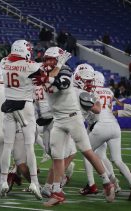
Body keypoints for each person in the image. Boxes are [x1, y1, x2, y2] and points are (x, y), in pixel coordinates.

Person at [33, 47, 115, 206]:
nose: (48, 62)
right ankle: (56, 193)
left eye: (52, 59)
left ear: (59, 60)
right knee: (57, 157)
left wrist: (54, 70)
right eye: (47, 59)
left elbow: (61, 84)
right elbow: (36, 77)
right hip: (58, 120)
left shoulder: (65, 72)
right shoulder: (46, 71)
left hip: (73, 118)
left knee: (88, 152)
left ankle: (107, 182)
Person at [81, 70, 131, 200]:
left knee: (87, 153)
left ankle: (94, 184)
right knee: (117, 160)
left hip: (101, 126)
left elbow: (93, 112)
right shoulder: (109, 91)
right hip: (115, 126)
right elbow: (108, 107)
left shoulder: (91, 92)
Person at [0, 40, 43, 200]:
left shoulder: (3, 62)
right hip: (26, 107)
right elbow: (44, 75)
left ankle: (3, 180)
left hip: (10, 106)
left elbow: (11, 64)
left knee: (7, 146)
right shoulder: (31, 65)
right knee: (29, 146)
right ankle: (34, 183)